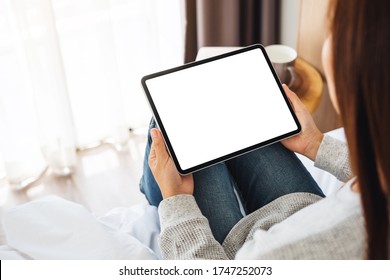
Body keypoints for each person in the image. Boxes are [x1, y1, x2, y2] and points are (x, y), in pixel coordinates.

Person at [139, 0, 389, 259]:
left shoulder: (268, 256)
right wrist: (315, 144)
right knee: (231, 108)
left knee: (168, 121)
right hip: (302, 209)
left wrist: (175, 200)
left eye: (331, 32)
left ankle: (153, 191)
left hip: (241, 248)